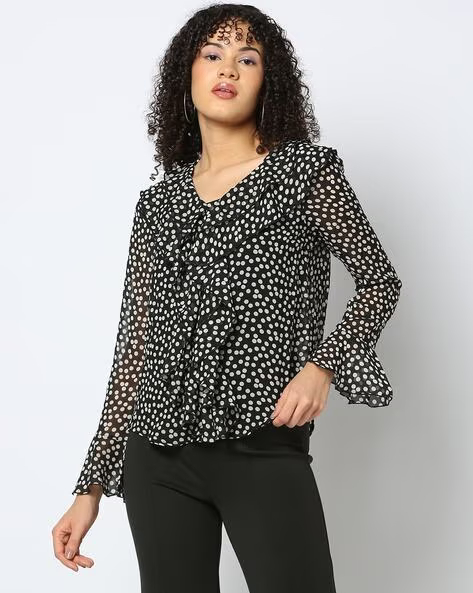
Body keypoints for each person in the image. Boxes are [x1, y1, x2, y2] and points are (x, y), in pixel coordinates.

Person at [52, 4, 402, 592]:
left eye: (248, 59)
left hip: (262, 443)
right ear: (186, 75)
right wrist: (90, 486)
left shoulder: (305, 173)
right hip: (155, 457)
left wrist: (323, 365)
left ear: (269, 81)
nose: (228, 69)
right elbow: (134, 347)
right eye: (212, 54)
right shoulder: (158, 203)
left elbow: (379, 280)